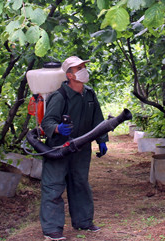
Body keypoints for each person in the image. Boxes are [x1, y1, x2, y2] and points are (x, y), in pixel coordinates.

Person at [39, 56, 108, 241]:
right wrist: (57, 128)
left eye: (84, 66)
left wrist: (102, 140)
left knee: (80, 184)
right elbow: (47, 122)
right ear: (69, 75)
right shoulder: (59, 96)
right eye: (79, 68)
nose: (84, 70)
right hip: (59, 148)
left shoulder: (89, 94)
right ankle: (52, 230)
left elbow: (98, 120)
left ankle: (84, 221)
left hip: (81, 148)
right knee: (53, 187)